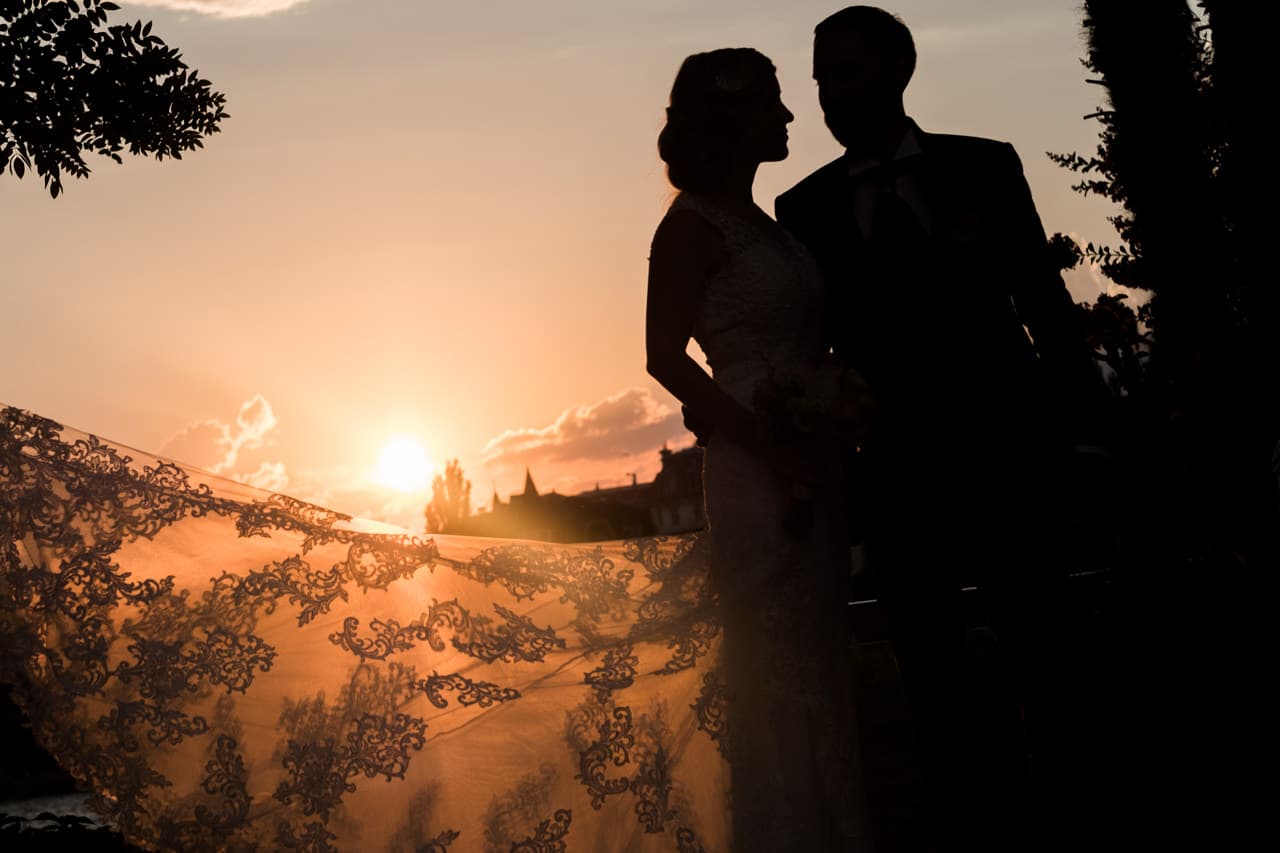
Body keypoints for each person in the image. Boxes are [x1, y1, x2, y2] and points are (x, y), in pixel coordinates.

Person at [774, 7, 1106, 851]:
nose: (827, 95)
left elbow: (1048, 312)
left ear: (899, 68)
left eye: (843, 73)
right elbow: (810, 350)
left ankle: (1072, 819)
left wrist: (1072, 437)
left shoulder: (985, 167)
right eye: (819, 80)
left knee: (1048, 658)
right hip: (899, 477)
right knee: (930, 680)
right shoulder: (802, 208)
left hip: (1009, 457)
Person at [646, 48, 874, 853]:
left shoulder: (766, 225)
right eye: (770, 107)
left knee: (815, 654)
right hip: (754, 461)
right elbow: (664, 356)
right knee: (771, 662)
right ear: (726, 124)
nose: (786, 119)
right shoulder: (689, 228)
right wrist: (768, 446)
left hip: (808, 448)